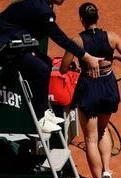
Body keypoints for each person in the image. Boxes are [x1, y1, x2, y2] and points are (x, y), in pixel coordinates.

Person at [60, 2, 121, 178]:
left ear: (81, 19)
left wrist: (76, 67)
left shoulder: (77, 41)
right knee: (103, 129)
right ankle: (107, 171)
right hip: (109, 87)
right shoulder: (112, 37)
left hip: (89, 89)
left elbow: (63, 68)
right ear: (97, 17)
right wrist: (115, 59)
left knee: (90, 139)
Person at [0, 0, 103, 133]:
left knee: (46, 63)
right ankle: (39, 119)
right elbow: (60, 38)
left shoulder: (43, 5)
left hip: (15, 43)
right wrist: (87, 57)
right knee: (40, 69)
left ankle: (43, 110)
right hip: (5, 48)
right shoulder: (42, 9)